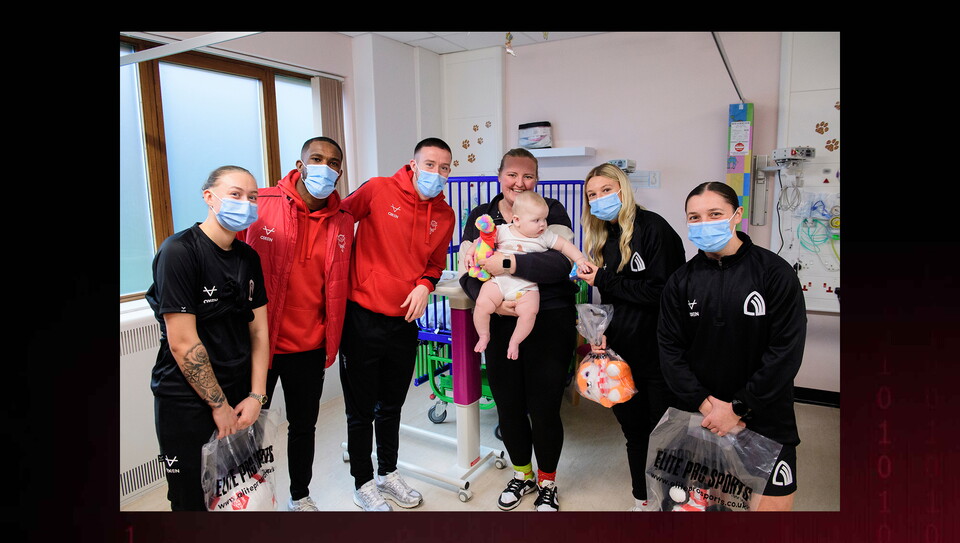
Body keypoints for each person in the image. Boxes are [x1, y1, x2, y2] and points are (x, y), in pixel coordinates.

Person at [658, 181, 807, 511]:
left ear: (736, 215)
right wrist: (707, 407)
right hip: (702, 416)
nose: (703, 223)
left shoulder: (774, 273)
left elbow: (785, 351)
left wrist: (738, 407)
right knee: (711, 508)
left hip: (764, 416)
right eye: (694, 217)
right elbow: (670, 351)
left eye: (714, 214)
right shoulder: (680, 281)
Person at [338, 137, 456, 511]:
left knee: (391, 406)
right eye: (431, 164)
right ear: (413, 163)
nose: (436, 173)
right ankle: (363, 482)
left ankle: (388, 473)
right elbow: (337, 223)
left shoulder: (445, 215)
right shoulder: (378, 190)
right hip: (362, 317)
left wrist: (425, 285)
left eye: (445, 168)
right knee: (359, 410)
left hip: (405, 321)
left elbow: (435, 265)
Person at [458, 148, 579, 512]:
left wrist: (507, 263)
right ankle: (522, 474)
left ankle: (547, 482)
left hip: (550, 318)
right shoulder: (482, 216)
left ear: (536, 179)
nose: (519, 182)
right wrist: (493, 299)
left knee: (544, 407)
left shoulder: (550, 210)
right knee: (508, 406)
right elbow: (469, 269)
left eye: (528, 176)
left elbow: (557, 263)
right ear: (500, 176)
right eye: (512, 174)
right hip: (499, 320)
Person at [236, 137, 353, 511]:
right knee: (248, 430)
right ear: (300, 165)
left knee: (304, 427)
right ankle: (248, 500)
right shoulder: (261, 203)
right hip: (259, 344)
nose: (325, 166)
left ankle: (299, 496)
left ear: (340, 171)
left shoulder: (343, 222)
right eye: (316, 159)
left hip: (310, 345)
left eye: (333, 162)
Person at [146, 165, 269, 511]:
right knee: (191, 499)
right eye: (235, 194)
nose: (245, 203)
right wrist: (219, 407)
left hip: (240, 395)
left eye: (253, 197)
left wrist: (257, 396)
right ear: (209, 197)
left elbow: (259, 331)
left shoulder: (249, 258)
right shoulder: (179, 252)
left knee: (237, 491)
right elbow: (183, 342)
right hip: (186, 400)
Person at [575, 163, 686, 511]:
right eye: (592, 195)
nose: (599, 199)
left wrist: (604, 280)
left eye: (606, 190)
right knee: (634, 431)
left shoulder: (655, 230)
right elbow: (615, 301)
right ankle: (642, 500)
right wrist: (601, 332)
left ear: (623, 189)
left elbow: (663, 292)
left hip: (660, 352)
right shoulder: (604, 237)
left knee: (665, 434)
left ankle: (674, 502)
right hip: (621, 354)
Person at [467, 190, 593, 359]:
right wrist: (470, 254)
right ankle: (484, 335)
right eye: (536, 220)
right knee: (482, 304)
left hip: (527, 287)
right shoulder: (503, 230)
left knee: (529, 313)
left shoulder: (544, 236)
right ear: (517, 220)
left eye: (544, 219)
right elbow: (480, 241)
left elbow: (564, 246)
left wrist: (580, 259)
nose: (542, 224)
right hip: (499, 281)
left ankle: (515, 341)